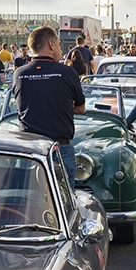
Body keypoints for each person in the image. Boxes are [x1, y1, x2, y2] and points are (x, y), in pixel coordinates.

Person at [12, 26, 86, 182]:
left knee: (29, 200)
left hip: (29, 148)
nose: (60, 49)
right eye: (59, 44)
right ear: (51, 44)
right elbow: (81, 108)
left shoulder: (19, 74)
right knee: (62, 202)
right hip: (59, 148)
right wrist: (61, 105)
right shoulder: (67, 72)